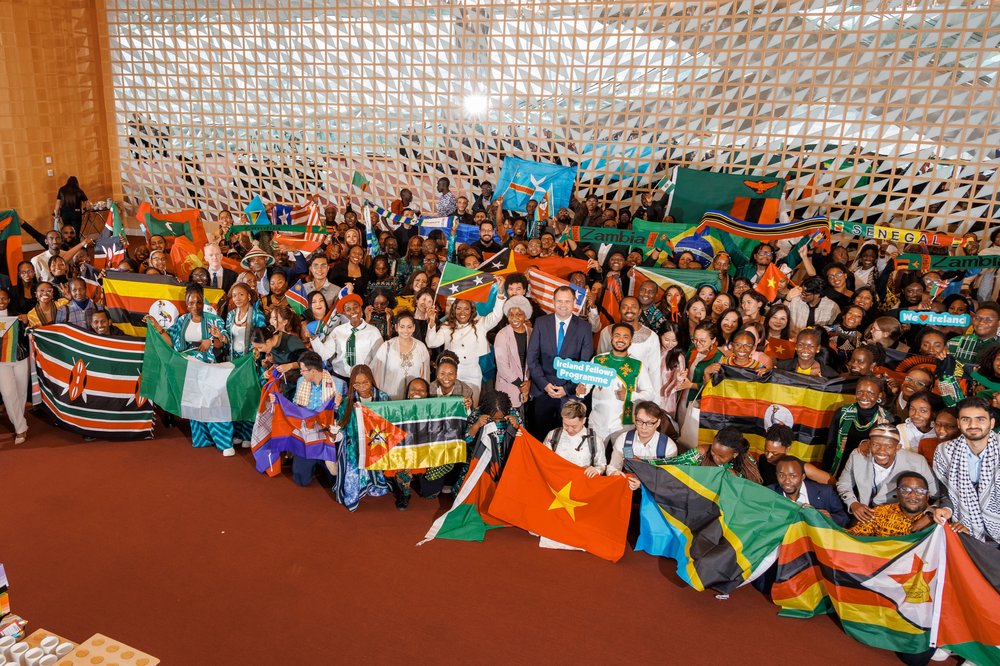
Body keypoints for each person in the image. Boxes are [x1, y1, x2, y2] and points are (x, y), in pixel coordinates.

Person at [148, 284, 234, 456]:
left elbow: (224, 341)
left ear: (203, 301)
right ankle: (202, 438)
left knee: (214, 403)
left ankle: (224, 442)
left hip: (209, 368)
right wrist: (158, 327)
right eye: (191, 302)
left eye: (199, 302)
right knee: (195, 403)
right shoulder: (182, 320)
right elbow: (171, 342)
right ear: (186, 303)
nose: (195, 306)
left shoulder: (213, 319)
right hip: (189, 368)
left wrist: (212, 340)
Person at [836, 424, 938, 523]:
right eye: (876, 445)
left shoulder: (917, 462)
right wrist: (853, 503)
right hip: (866, 514)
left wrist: (929, 514)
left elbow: (936, 494)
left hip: (900, 517)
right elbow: (844, 484)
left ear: (898, 447)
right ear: (869, 444)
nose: (881, 451)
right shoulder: (858, 456)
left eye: (889, 446)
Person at [932, 396, 1000, 540]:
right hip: (965, 528)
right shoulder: (945, 452)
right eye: (966, 419)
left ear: (992, 423)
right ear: (958, 423)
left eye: (980, 419)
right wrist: (947, 509)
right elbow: (945, 490)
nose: (973, 425)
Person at [577, 322, 654, 446]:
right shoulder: (598, 360)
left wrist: (629, 395)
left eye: (625, 337)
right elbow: (585, 386)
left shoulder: (637, 365)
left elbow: (650, 393)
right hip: (597, 422)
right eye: (617, 335)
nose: (621, 340)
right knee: (593, 454)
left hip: (624, 425)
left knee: (623, 455)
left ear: (631, 341)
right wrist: (581, 392)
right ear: (611, 338)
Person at [425, 292, 506, 404]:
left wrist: (500, 295)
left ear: (471, 311)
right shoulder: (447, 326)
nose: (462, 312)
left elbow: (497, 315)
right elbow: (431, 343)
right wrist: (431, 321)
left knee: (471, 405)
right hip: (451, 373)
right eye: (458, 308)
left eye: (466, 309)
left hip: (473, 373)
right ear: (454, 310)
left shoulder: (481, 323)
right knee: (452, 405)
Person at [332, 364, 392, 511]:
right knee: (351, 488)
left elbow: (390, 421)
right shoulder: (348, 400)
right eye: (356, 384)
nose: (361, 387)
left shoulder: (383, 398)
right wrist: (336, 409)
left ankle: (375, 484)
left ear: (371, 380)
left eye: (365, 382)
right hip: (355, 444)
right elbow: (341, 424)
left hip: (377, 442)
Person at [288, 351, 341, 487]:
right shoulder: (301, 382)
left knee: (333, 481)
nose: (301, 373)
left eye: (303, 370)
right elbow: (295, 405)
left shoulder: (338, 384)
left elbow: (342, 414)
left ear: (313, 371)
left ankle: (320, 461)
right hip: (307, 432)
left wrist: (339, 405)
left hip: (327, 433)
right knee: (301, 480)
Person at [823, 375, 894, 476]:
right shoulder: (843, 413)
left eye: (870, 393)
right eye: (860, 392)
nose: (864, 397)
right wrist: (826, 474)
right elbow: (831, 446)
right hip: (839, 469)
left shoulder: (887, 420)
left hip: (867, 473)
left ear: (879, 395)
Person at [310, 293, 383, 386]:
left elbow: (378, 359)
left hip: (363, 379)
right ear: (344, 313)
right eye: (348, 309)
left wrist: (371, 377)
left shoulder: (373, 331)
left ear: (361, 308)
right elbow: (324, 355)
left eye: (355, 307)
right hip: (339, 378)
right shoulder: (337, 331)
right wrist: (314, 338)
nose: (353, 311)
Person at [607, 401, 678, 488]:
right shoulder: (624, 440)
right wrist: (614, 473)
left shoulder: (668, 446)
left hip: (656, 489)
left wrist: (643, 484)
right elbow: (613, 467)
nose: (643, 427)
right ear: (634, 420)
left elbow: (668, 478)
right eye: (640, 421)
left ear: (658, 423)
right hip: (628, 486)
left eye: (650, 423)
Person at [769, 456, 850, 527]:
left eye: (793, 476)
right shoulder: (769, 493)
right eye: (781, 475)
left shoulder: (825, 492)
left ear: (803, 476)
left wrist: (830, 518)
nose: (787, 481)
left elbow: (844, 516)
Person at [848, 472, 936, 536]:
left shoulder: (937, 519)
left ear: (927, 495)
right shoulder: (879, 513)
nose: (913, 495)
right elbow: (854, 538)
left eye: (920, 491)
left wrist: (932, 516)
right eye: (906, 490)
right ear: (897, 493)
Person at [667, 425, 763, 483]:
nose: (715, 458)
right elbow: (673, 463)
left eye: (721, 456)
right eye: (713, 452)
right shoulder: (701, 453)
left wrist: (736, 478)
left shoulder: (748, 464)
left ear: (735, 454)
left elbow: (753, 488)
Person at [369, 311, 431, 400]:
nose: (406, 330)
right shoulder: (387, 346)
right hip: (391, 397)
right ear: (396, 327)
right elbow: (376, 373)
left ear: (414, 328)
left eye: (409, 327)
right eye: (402, 327)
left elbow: (425, 376)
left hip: (414, 397)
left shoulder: (421, 347)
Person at [542, 399, 606, 476]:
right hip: (558, 478)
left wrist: (597, 470)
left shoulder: (595, 439)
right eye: (565, 425)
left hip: (582, 480)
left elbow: (601, 465)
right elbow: (544, 460)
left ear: (584, 420)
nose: (569, 430)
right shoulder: (553, 435)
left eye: (574, 426)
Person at [757, 424, 832, 487]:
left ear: (787, 449)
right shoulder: (762, 459)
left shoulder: (802, 467)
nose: (768, 456)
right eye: (766, 451)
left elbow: (831, 481)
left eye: (775, 453)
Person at [494, 295, 533, 411]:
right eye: (511, 314)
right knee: (511, 418)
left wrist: (529, 383)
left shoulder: (532, 332)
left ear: (525, 316)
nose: (514, 318)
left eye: (519, 314)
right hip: (509, 385)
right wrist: (522, 386)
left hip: (528, 384)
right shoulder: (502, 335)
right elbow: (502, 366)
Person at [0, 288, 29, 444]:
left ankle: (19, 420)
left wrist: (26, 321)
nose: (1, 301)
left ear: (9, 300)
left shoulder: (18, 316)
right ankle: (20, 428)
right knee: (8, 393)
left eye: (4, 298)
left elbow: (28, 334)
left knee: (21, 393)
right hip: (1, 362)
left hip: (20, 358)